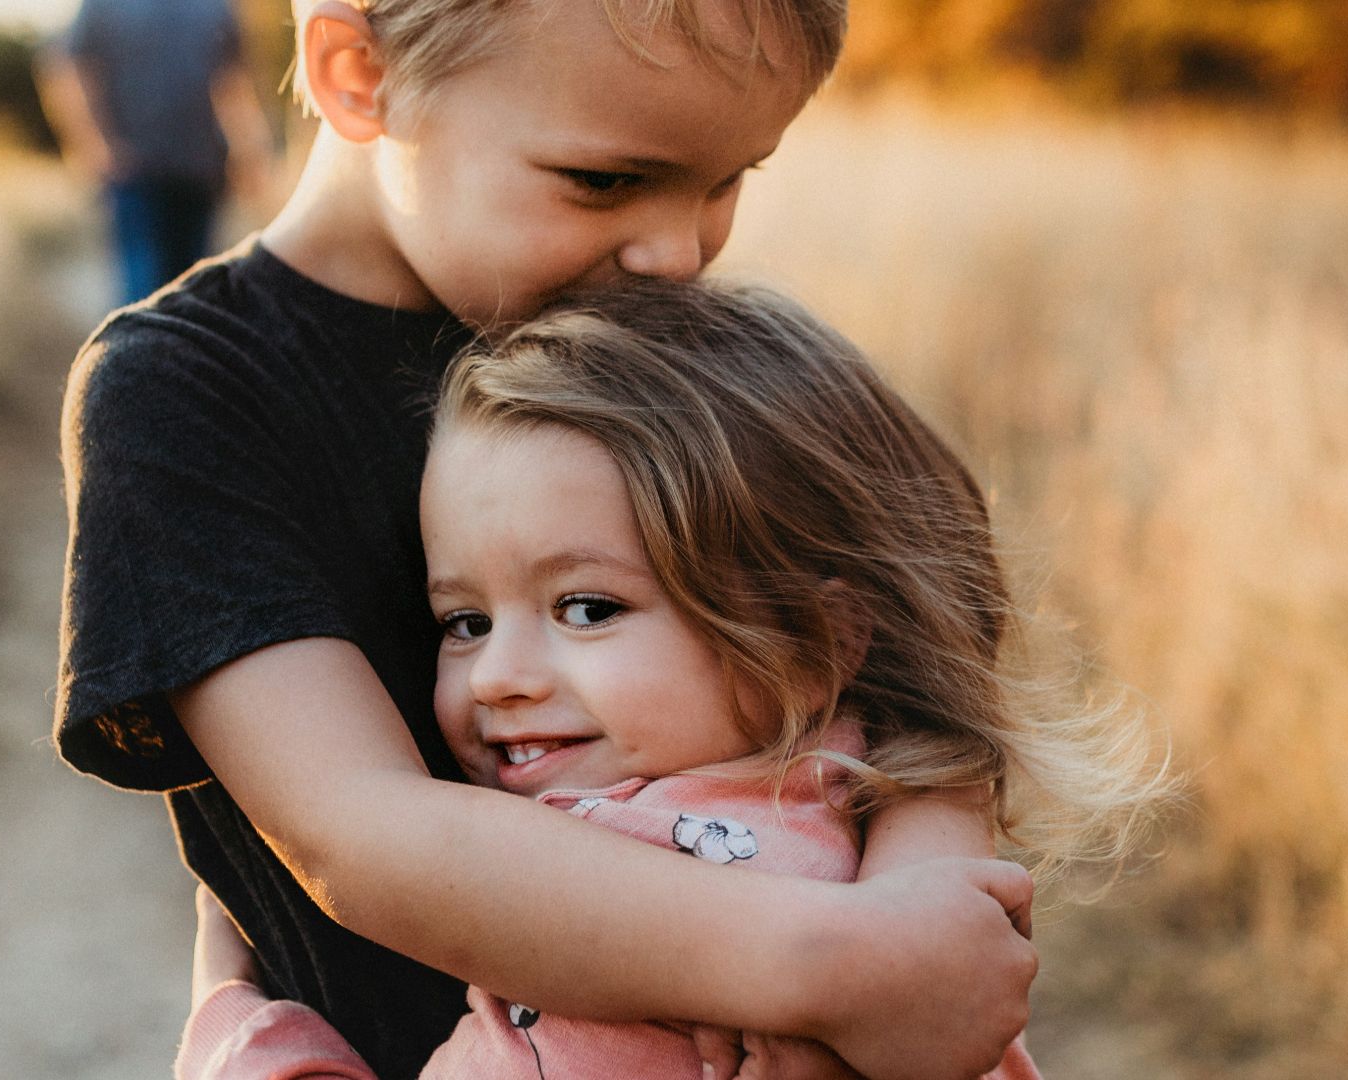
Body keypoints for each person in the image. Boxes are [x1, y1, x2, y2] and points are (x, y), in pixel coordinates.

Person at [55, 2, 1043, 1078]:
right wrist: (833, 968)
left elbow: (929, 673)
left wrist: (907, 925)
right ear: (356, 73)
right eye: (607, 182)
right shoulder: (188, 395)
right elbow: (362, 832)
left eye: (727, 180)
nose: (677, 254)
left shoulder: (659, 340)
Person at [170, 280, 1167, 1079]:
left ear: (819, 639)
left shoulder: (628, 896)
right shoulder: (880, 835)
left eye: (588, 609)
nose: (501, 677)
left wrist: (240, 1017)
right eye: (464, 622)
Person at [35, 0, 273, 304]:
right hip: (134, 175)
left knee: (194, 294)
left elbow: (233, 80)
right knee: (144, 296)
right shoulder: (103, 6)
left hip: (200, 171)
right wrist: (92, 146)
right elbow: (66, 67)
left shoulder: (215, 6)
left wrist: (249, 152)